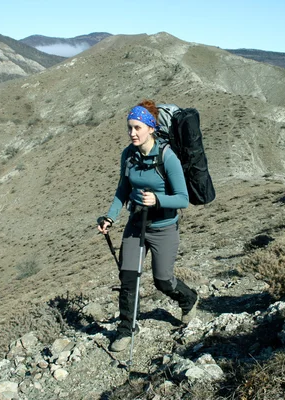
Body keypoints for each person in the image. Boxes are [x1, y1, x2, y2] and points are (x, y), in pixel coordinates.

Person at [97, 99, 198, 352]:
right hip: (135, 224)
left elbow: (183, 199)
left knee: (162, 280)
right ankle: (126, 328)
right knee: (128, 278)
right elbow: (123, 189)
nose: (132, 133)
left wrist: (157, 199)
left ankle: (189, 299)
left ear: (151, 128)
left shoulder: (168, 157)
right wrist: (110, 217)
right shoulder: (128, 155)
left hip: (164, 227)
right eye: (129, 128)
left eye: (137, 128)